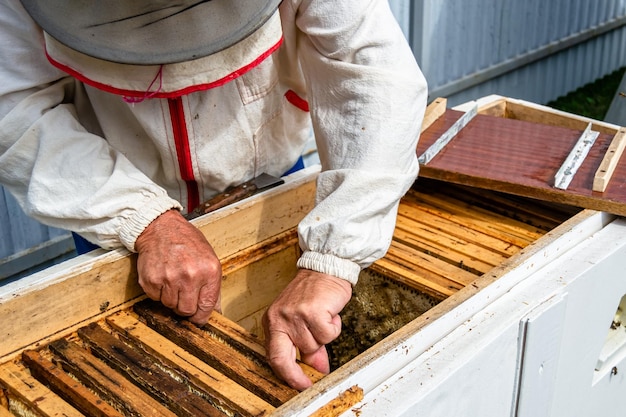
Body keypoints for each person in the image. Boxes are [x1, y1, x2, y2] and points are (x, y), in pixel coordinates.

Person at [0, 0, 427, 390]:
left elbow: (376, 77)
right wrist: (142, 219)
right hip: (108, 203)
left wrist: (330, 262)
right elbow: (13, 108)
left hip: (267, 181)